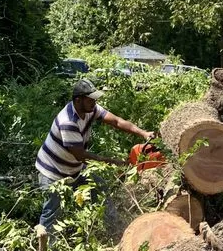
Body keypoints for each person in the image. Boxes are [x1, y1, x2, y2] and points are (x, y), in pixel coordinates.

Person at [35, 78, 155, 238]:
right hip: (53, 173)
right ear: (78, 100)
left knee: (100, 188)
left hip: (74, 168)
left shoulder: (90, 109)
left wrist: (143, 133)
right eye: (90, 99)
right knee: (52, 213)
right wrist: (114, 163)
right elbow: (82, 156)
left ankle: (115, 233)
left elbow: (116, 121)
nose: (94, 102)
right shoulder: (68, 122)